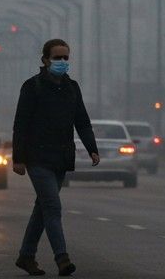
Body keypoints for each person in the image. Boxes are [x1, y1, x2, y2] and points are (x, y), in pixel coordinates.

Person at [11, 39, 100, 276]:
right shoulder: (32, 87)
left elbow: (82, 121)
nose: (62, 62)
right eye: (57, 58)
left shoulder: (72, 88)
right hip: (37, 157)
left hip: (61, 158)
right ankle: (62, 258)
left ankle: (26, 256)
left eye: (65, 58)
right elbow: (21, 124)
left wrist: (92, 148)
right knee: (52, 206)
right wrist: (18, 158)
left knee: (42, 208)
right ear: (45, 59)